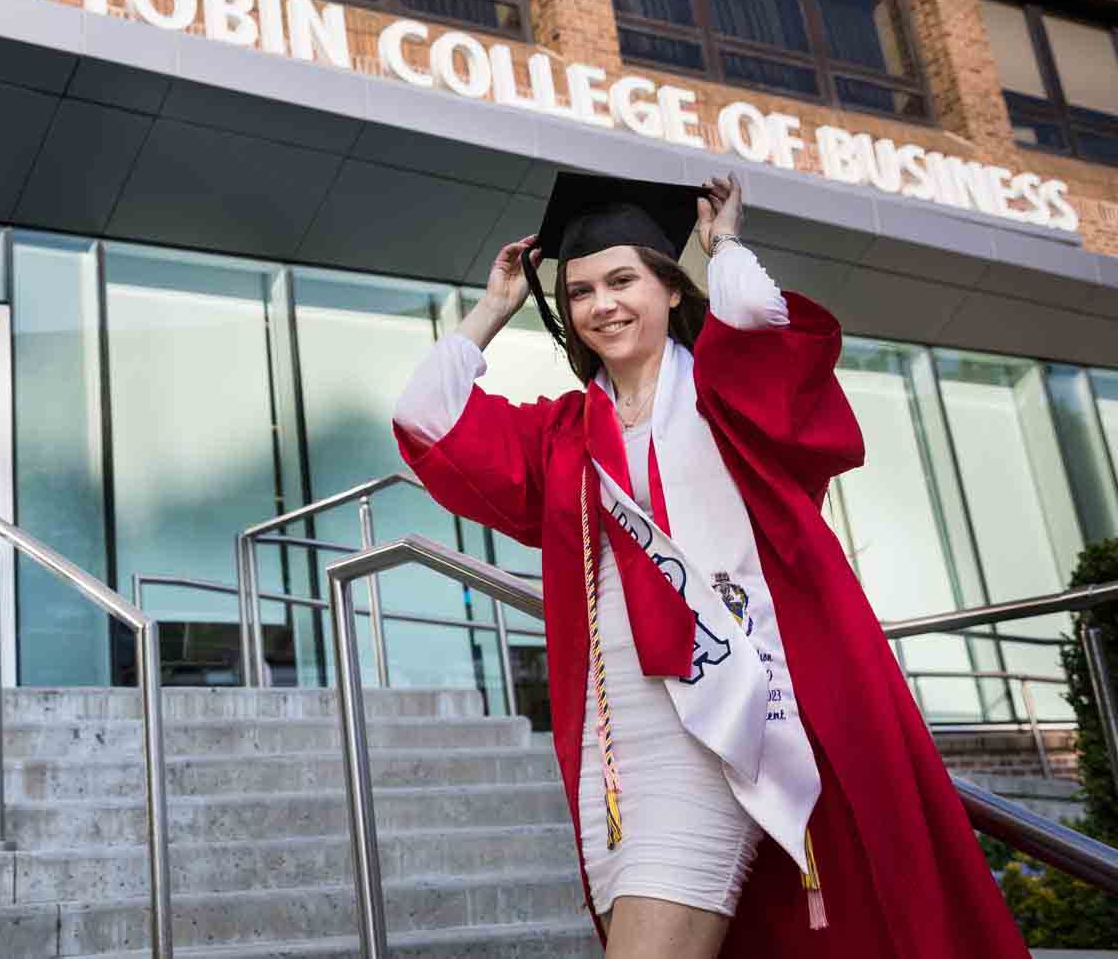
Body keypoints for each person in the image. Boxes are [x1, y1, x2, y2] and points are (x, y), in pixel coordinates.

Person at [392, 170, 1027, 959]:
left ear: (667, 286)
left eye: (623, 280)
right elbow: (426, 415)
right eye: (582, 290)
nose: (603, 305)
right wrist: (495, 305)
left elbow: (768, 340)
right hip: (616, 741)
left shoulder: (723, 393)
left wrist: (723, 243)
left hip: (724, 715)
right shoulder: (562, 434)